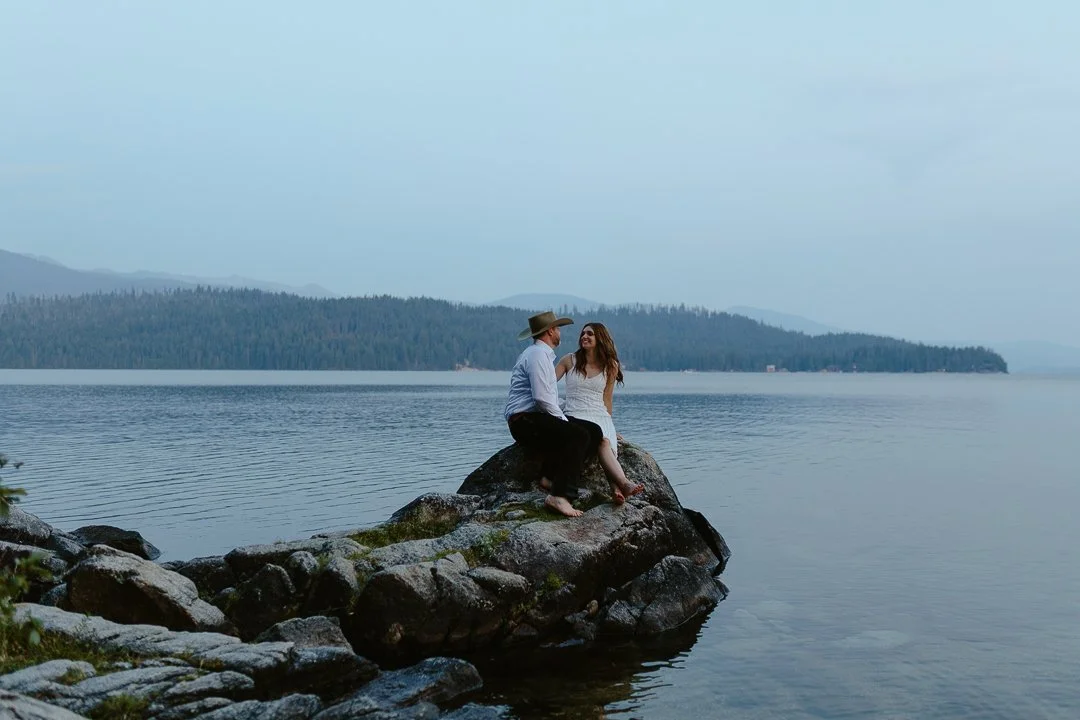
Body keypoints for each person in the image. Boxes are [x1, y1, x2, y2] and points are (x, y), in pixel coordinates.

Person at [504, 311, 592, 518]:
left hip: (535, 417)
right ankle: (559, 495)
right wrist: (564, 421)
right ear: (551, 331)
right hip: (524, 421)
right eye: (558, 328)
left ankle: (548, 477)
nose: (560, 332)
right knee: (578, 435)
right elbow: (542, 399)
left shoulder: (541, 355)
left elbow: (550, 399)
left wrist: (571, 414)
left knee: (593, 431)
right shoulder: (536, 355)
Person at [555, 322, 644, 503]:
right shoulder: (568, 360)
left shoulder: (610, 365)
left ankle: (619, 487)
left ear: (600, 339)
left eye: (590, 334)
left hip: (600, 414)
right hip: (575, 414)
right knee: (600, 440)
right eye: (583, 333)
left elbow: (607, 399)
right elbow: (546, 387)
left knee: (605, 441)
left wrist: (611, 427)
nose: (584, 337)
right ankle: (620, 485)